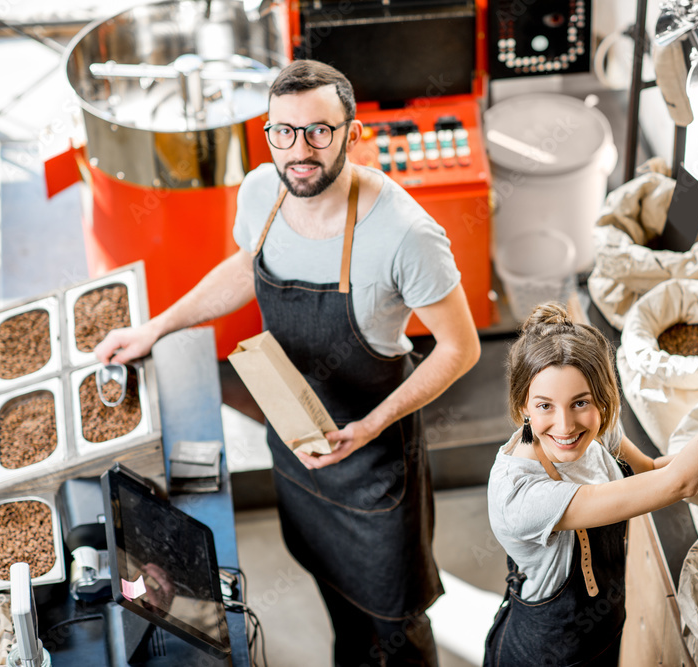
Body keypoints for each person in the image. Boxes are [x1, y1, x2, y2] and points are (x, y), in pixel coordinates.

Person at [95, 59, 481, 666]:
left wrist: (371, 427)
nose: (299, 151)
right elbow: (247, 266)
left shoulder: (406, 234)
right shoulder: (260, 191)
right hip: (297, 442)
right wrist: (157, 327)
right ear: (268, 133)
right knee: (334, 593)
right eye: (283, 132)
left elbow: (462, 348)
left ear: (353, 135)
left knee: (394, 623)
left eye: (319, 132)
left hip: (375, 458)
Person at [483, 303, 698, 666]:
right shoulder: (522, 495)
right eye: (545, 406)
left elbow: (652, 469)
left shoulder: (594, 432)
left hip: (603, 631)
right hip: (547, 653)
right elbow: (678, 484)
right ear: (523, 406)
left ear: (603, 399)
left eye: (580, 402)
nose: (564, 425)